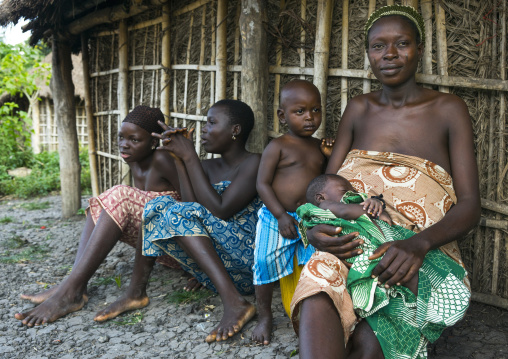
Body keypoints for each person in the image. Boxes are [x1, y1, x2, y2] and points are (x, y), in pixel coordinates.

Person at [290, 5, 480, 359]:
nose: (389, 54)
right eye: (378, 46)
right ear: (368, 55)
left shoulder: (448, 109)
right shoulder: (358, 109)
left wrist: (418, 245)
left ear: (420, 50)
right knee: (319, 291)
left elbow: (470, 205)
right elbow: (323, 186)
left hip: (416, 254)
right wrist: (313, 229)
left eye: (402, 43)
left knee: (370, 345)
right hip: (349, 238)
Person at [96, 99, 263, 343]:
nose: (204, 129)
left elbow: (221, 210)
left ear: (235, 130)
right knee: (156, 207)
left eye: (212, 122)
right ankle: (136, 292)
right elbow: (191, 207)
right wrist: (179, 158)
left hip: (247, 264)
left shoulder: (253, 162)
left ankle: (235, 303)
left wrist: (190, 156)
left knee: (171, 211)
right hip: (222, 265)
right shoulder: (205, 166)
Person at [15, 105, 182, 327]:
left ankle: (71, 290)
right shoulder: (135, 161)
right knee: (100, 204)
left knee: (119, 195)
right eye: (121, 137)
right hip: (156, 244)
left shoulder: (163, 158)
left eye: (134, 140)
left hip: (180, 249)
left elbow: (190, 205)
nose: (124, 144)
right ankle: (75, 284)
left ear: (153, 142)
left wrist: (198, 270)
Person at [297, 174, 470, 358]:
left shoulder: (352, 200)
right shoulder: (323, 205)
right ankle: (425, 299)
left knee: (399, 274)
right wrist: (366, 210)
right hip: (364, 254)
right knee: (395, 277)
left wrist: (376, 206)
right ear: (320, 197)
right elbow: (346, 211)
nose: (353, 193)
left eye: (354, 191)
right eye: (345, 191)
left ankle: (425, 300)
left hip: (382, 247)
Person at [252, 79, 332, 345]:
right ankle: (264, 316)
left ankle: (312, 315)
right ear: (282, 116)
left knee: (313, 264)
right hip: (277, 217)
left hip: (308, 218)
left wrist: (330, 156)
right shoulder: (278, 146)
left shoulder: (319, 147)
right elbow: (261, 184)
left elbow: (327, 180)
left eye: (315, 110)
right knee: (264, 263)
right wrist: (280, 215)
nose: (310, 117)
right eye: (300, 112)